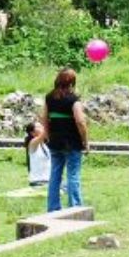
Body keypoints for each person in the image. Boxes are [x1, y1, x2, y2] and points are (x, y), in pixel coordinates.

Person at [38, 68, 89, 212]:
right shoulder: (74, 99)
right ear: (72, 82)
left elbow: (44, 118)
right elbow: (80, 122)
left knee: (55, 174)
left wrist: (47, 134)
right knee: (73, 174)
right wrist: (85, 141)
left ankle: (53, 207)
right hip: (72, 142)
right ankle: (75, 207)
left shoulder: (49, 97)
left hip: (55, 141)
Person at [24, 119, 51, 187]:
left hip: (48, 180)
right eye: (38, 127)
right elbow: (43, 134)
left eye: (41, 126)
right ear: (32, 133)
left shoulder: (44, 145)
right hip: (38, 181)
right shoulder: (32, 143)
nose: (42, 128)